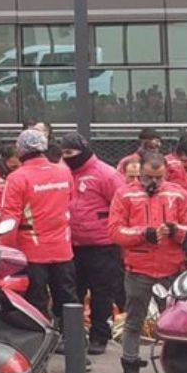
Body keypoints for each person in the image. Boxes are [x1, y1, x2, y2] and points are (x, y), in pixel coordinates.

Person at [108, 152, 187, 373]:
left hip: (172, 266)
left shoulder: (178, 194)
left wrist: (175, 230)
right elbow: (114, 231)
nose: (153, 182)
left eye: (158, 177)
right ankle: (130, 370)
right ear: (139, 173)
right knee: (134, 321)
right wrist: (141, 234)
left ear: (166, 173)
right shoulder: (124, 194)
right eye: (148, 177)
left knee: (177, 325)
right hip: (139, 267)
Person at [0, 129, 77, 327]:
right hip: (63, 248)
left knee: (36, 300)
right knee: (67, 298)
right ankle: (74, 342)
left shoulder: (17, 178)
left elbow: (10, 219)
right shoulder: (64, 171)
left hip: (32, 250)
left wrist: (4, 253)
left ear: (20, 151)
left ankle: (42, 342)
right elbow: (71, 202)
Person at [63, 132, 124, 355]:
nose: (66, 157)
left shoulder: (106, 174)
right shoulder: (65, 173)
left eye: (70, 153)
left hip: (102, 245)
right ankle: (74, 337)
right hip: (73, 244)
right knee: (73, 293)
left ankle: (100, 337)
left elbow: (121, 205)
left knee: (101, 293)